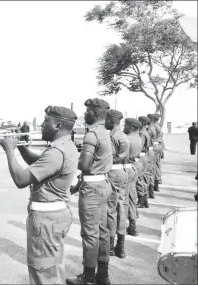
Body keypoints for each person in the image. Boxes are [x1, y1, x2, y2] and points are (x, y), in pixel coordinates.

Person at [0, 105, 78, 284]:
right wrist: (20, 145)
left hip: (46, 221)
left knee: (42, 273)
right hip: (56, 217)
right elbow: (38, 163)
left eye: (46, 121)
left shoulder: (56, 153)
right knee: (53, 269)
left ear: (57, 126)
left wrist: (9, 150)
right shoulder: (65, 146)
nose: (42, 125)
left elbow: (20, 179)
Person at [67, 98, 113, 285]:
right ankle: (103, 276)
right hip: (103, 184)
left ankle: (88, 278)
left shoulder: (92, 134)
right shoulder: (104, 132)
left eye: (87, 111)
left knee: (90, 234)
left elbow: (84, 164)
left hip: (93, 190)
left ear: (94, 113)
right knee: (102, 232)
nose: (84, 114)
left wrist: (71, 157)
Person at [104, 109, 129, 259]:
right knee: (120, 208)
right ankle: (121, 245)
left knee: (111, 210)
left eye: (106, 119)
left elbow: (112, 158)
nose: (105, 122)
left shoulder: (113, 137)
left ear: (111, 120)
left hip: (113, 173)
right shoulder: (123, 135)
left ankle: (112, 246)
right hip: (122, 173)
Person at [123, 118, 143, 237]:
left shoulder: (127, 139)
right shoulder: (138, 137)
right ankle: (133, 224)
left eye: (125, 125)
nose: (123, 127)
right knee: (131, 196)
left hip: (126, 168)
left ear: (130, 127)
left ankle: (129, 225)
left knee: (124, 199)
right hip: (135, 166)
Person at [136, 116, 153, 208]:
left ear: (142, 123)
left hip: (141, 156)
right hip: (145, 156)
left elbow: (140, 146)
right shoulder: (144, 132)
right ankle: (144, 200)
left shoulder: (142, 133)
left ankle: (142, 200)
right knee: (142, 179)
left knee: (139, 179)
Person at [149, 114, 164, 192]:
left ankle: (153, 185)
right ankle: (157, 182)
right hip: (158, 145)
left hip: (154, 146)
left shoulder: (152, 127)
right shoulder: (158, 126)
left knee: (152, 166)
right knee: (157, 165)